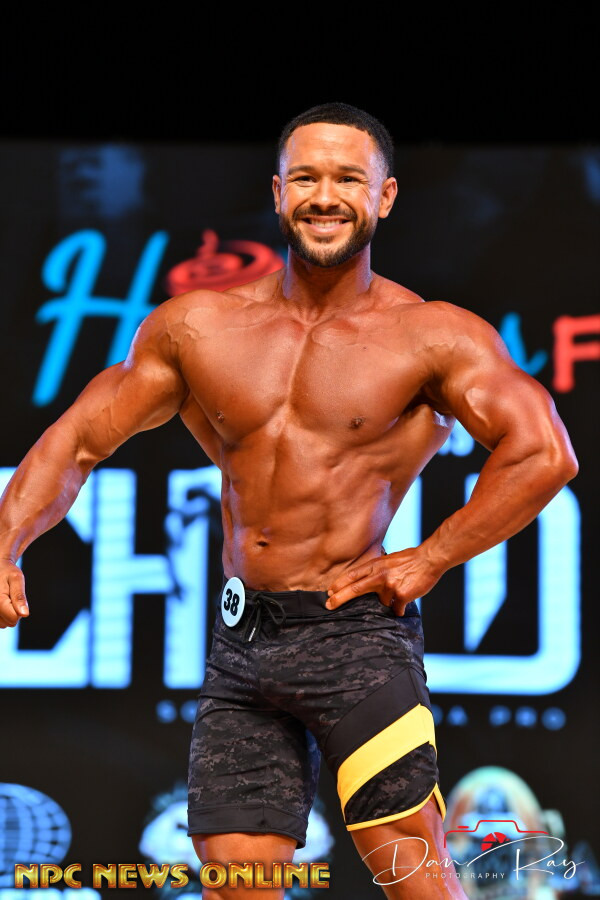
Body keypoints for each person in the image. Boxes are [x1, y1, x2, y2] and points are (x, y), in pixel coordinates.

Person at [0, 103, 578, 899]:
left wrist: (432, 558)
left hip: (356, 640)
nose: (324, 196)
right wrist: (6, 545)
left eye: (348, 179)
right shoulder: (197, 328)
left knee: (411, 873)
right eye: (305, 178)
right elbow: (75, 441)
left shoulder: (434, 336)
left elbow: (544, 452)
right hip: (243, 644)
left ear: (384, 197)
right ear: (277, 193)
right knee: (235, 883)